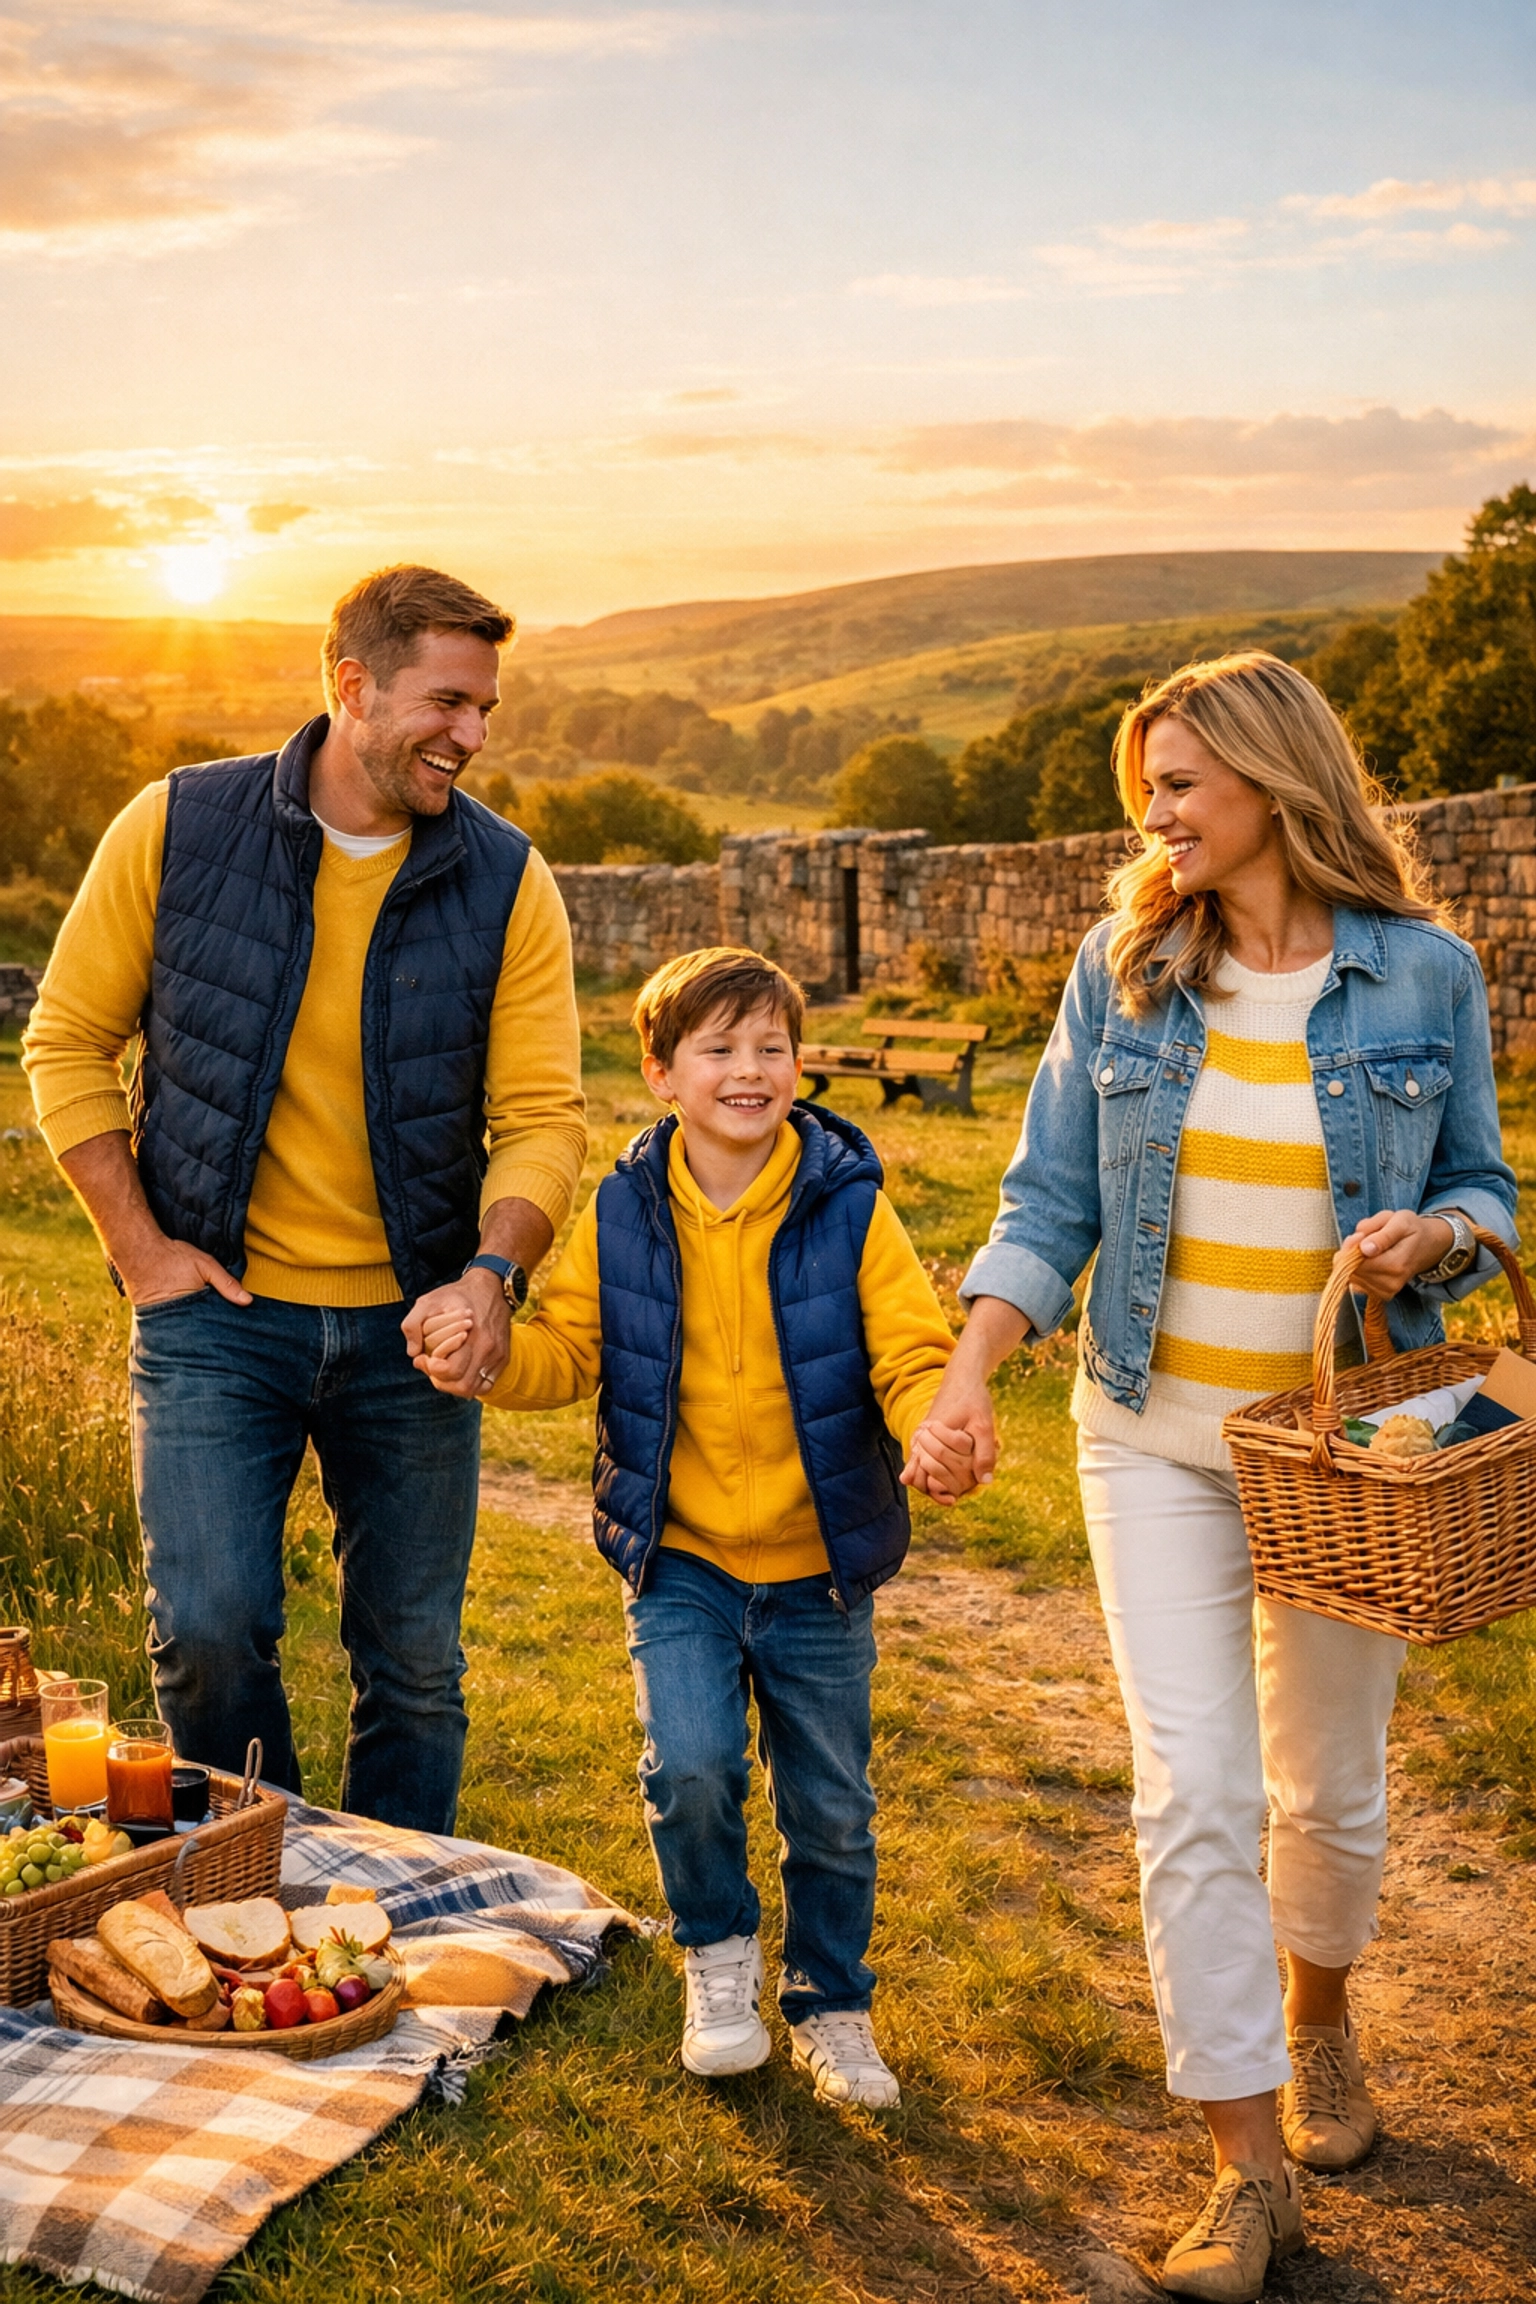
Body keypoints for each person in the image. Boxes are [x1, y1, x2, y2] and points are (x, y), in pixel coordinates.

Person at [903, 654, 1517, 2300]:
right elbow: (1043, 1198)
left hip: (1348, 1457)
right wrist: (968, 1376)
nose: (1153, 816)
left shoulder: (1425, 973)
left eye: (1178, 782)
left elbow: (1488, 1185)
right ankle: (1242, 2164)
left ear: (1271, 778)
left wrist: (1442, 1232)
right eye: (1147, 788)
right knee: (1192, 1793)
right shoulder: (1126, 971)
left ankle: (1318, 2023)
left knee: (1329, 1785)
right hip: (1151, 1437)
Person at [23, 564, 587, 1832]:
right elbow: (65, 1042)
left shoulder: (508, 879)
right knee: (212, 1632)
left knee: (417, 1665)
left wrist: (491, 1278)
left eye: (486, 708)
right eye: (448, 701)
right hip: (217, 1320)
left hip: (413, 1330)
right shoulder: (176, 826)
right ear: (352, 685)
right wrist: (144, 1252)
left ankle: (399, 1912)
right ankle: (241, 1886)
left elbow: (545, 1117)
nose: (473, 735)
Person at [418, 946, 977, 2105]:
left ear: (799, 1064)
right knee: (694, 1769)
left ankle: (834, 2004)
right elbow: (569, 1351)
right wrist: (492, 1360)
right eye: (719, 1049)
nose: (751, 1069)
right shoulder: (624, 1212)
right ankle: (717, 1957)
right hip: (678, 1558)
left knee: (831, 1805)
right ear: (662, 1071)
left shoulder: (848, 1204)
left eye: (771, 1047)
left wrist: (935, 1422)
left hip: (822, 1564)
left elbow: (911, 1350)